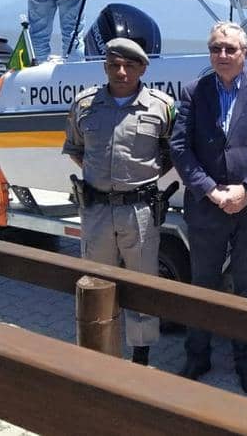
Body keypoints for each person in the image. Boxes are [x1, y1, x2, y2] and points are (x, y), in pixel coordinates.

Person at [170, 22, 247, 395]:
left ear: (245, 53)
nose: (222, 55)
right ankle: (197, 354)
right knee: (202, 284)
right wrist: (211, 191)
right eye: (216, 48)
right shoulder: (193, 91)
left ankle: (244, 361)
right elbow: (180, 148)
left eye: (230, 49)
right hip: (207, 207)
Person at [62, 37, 175, 366]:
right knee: (95, 281)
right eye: (114, 65)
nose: (121, 72)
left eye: (129, 66)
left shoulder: (161, 106)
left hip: (139, 211)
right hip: (96, 209)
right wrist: (102, 180)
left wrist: (139, 179)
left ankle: (141, 354)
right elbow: (76, 148)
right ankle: (98, 347)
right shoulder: (85, 104)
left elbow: (170, 151)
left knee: (142, 283)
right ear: (105, 67)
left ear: (143, 68)